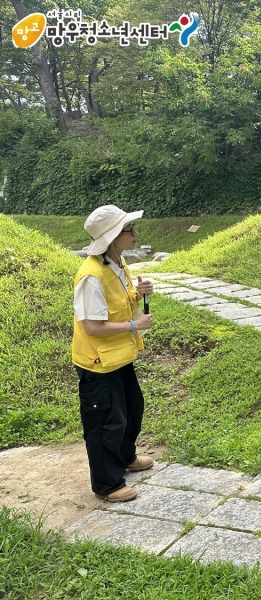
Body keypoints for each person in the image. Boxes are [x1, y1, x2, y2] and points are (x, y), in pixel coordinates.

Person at [72, 205, 155, 502]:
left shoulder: (116, 263)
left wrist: (138, 293)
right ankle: (107, 485)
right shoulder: (91, 275)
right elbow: (92, 326)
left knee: (131, 410)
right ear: (112, 237)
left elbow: (117, 302)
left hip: (119, 355)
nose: (135, 233)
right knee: (105, 422)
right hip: (98, 362)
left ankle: (125, 456)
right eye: (129, 230)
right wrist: (135, 324)